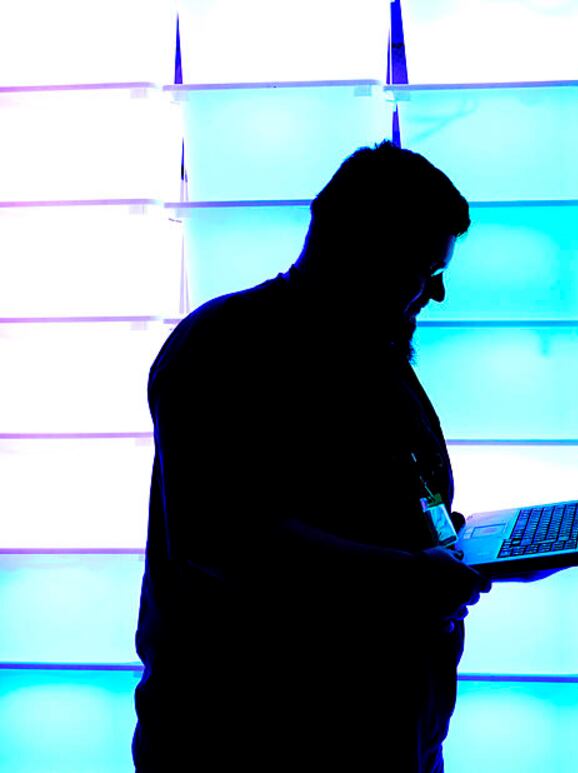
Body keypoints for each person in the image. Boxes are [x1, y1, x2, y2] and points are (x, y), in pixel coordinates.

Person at [134, 142, 495, 772]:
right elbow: (227, 542)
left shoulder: (370, 351)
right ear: (364, 249)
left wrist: (455, 549)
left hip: (384, 730)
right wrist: (411, 576)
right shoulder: (221, 350)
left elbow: (389, 500)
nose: (435, 295)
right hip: (253, 739)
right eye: (423, 269)